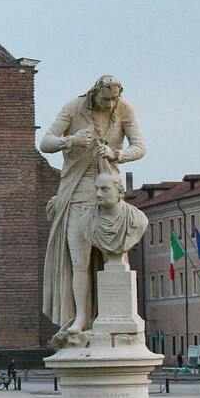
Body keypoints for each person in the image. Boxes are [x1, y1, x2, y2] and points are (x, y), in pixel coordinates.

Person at [40, 75, 145, 342]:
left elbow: (140, 147)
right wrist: (70, 140)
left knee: (115, 254)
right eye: (106, 99)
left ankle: (116, 315)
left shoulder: (124, 109)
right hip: (77, 190)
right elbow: (45, 142)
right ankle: (80, 318)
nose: (111, 104)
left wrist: (117, 154)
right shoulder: (73, 108)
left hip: (108, 184)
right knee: (79, 261)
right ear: (94, 93)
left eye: (114, 99)